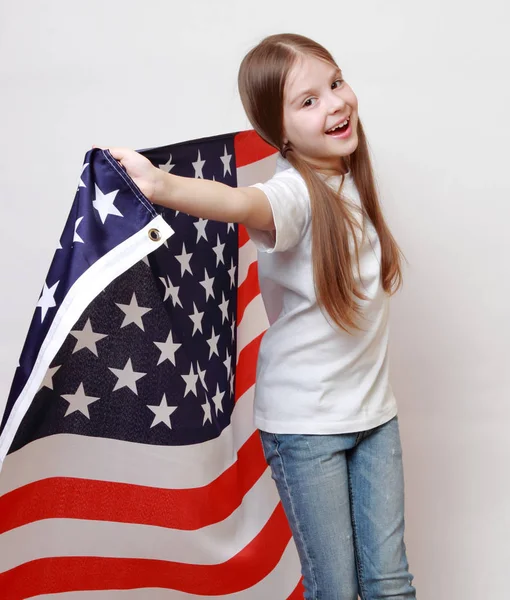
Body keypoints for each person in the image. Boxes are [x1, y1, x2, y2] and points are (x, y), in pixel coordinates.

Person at [96, 33, 416, 600]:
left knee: (390, 583)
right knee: (335, 589)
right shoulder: (293, 194)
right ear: (279, 132)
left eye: (335, 83)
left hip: (374, 417)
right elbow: (244, 204)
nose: (336, 103)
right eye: (308, 101)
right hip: (306, 428)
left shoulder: (353, 179)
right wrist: (162, 186)